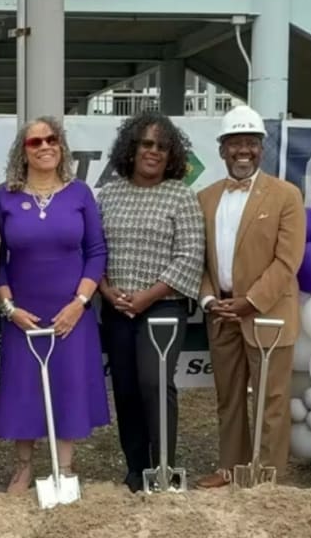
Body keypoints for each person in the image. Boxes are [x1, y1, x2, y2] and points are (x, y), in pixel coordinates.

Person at [0, 116, 109, 494]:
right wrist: (10, 309)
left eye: (51, 139)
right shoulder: (3, 196)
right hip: (22, 316)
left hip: (72, 314)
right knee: (23, 388)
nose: (44, 146)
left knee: (68, 386)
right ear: (22, 152)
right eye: (34, 141)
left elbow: (96, 251)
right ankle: (23, 468)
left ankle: (66, 468)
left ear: (62, 146)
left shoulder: (80, 194)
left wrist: (80, 303)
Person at [194, 106, 306, 489]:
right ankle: (230, 468)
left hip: (267, 313)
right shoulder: (205, 198)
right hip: (221, 312)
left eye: (251, 143)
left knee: (270, 400)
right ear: (222, 150)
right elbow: (199, 260)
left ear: (261, 149)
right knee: (228, 397)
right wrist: (210, 300)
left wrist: (250, 301)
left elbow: (287, 261)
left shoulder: (286, 195)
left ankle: (268, 475)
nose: (244, 151)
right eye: (235, 143)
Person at [97, 111, 204, 493]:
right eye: (146, 143)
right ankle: (136, 470)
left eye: (161, 146)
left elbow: (190, 255)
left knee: (154, 381)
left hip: (162, 307)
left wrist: (147, 296)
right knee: (125, 387)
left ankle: (163, 470)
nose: (153, 151)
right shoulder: (108, 194)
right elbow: (94, 250)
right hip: (116, 306)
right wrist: (106, 290)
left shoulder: (181, 195)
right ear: (131, 147)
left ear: (171, 153)